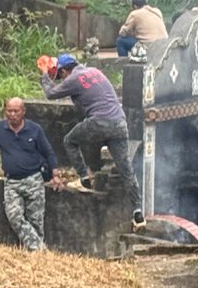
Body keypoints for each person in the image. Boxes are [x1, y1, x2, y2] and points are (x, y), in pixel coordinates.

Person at [41, 53, 145, 231]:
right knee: (125, 169)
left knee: (69, 141)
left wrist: (44, 75)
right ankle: (138, 211)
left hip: (99, 121)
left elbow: (51, 94)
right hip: (120, 122)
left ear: (66, 70)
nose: (61, 79)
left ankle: (84, 176)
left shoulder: (73, 78)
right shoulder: (95, 71)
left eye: (60, 75)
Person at [0, 97, 63, 251]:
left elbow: (48, 152)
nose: (12, 114)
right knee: (14, 217)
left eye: (16, 111)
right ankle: (41, 250)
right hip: (12, 182)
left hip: (33, 180)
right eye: (9, 111)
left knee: (36, 220)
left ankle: (35, 258)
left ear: (23, 112)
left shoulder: (35, 129)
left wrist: (56, 174)